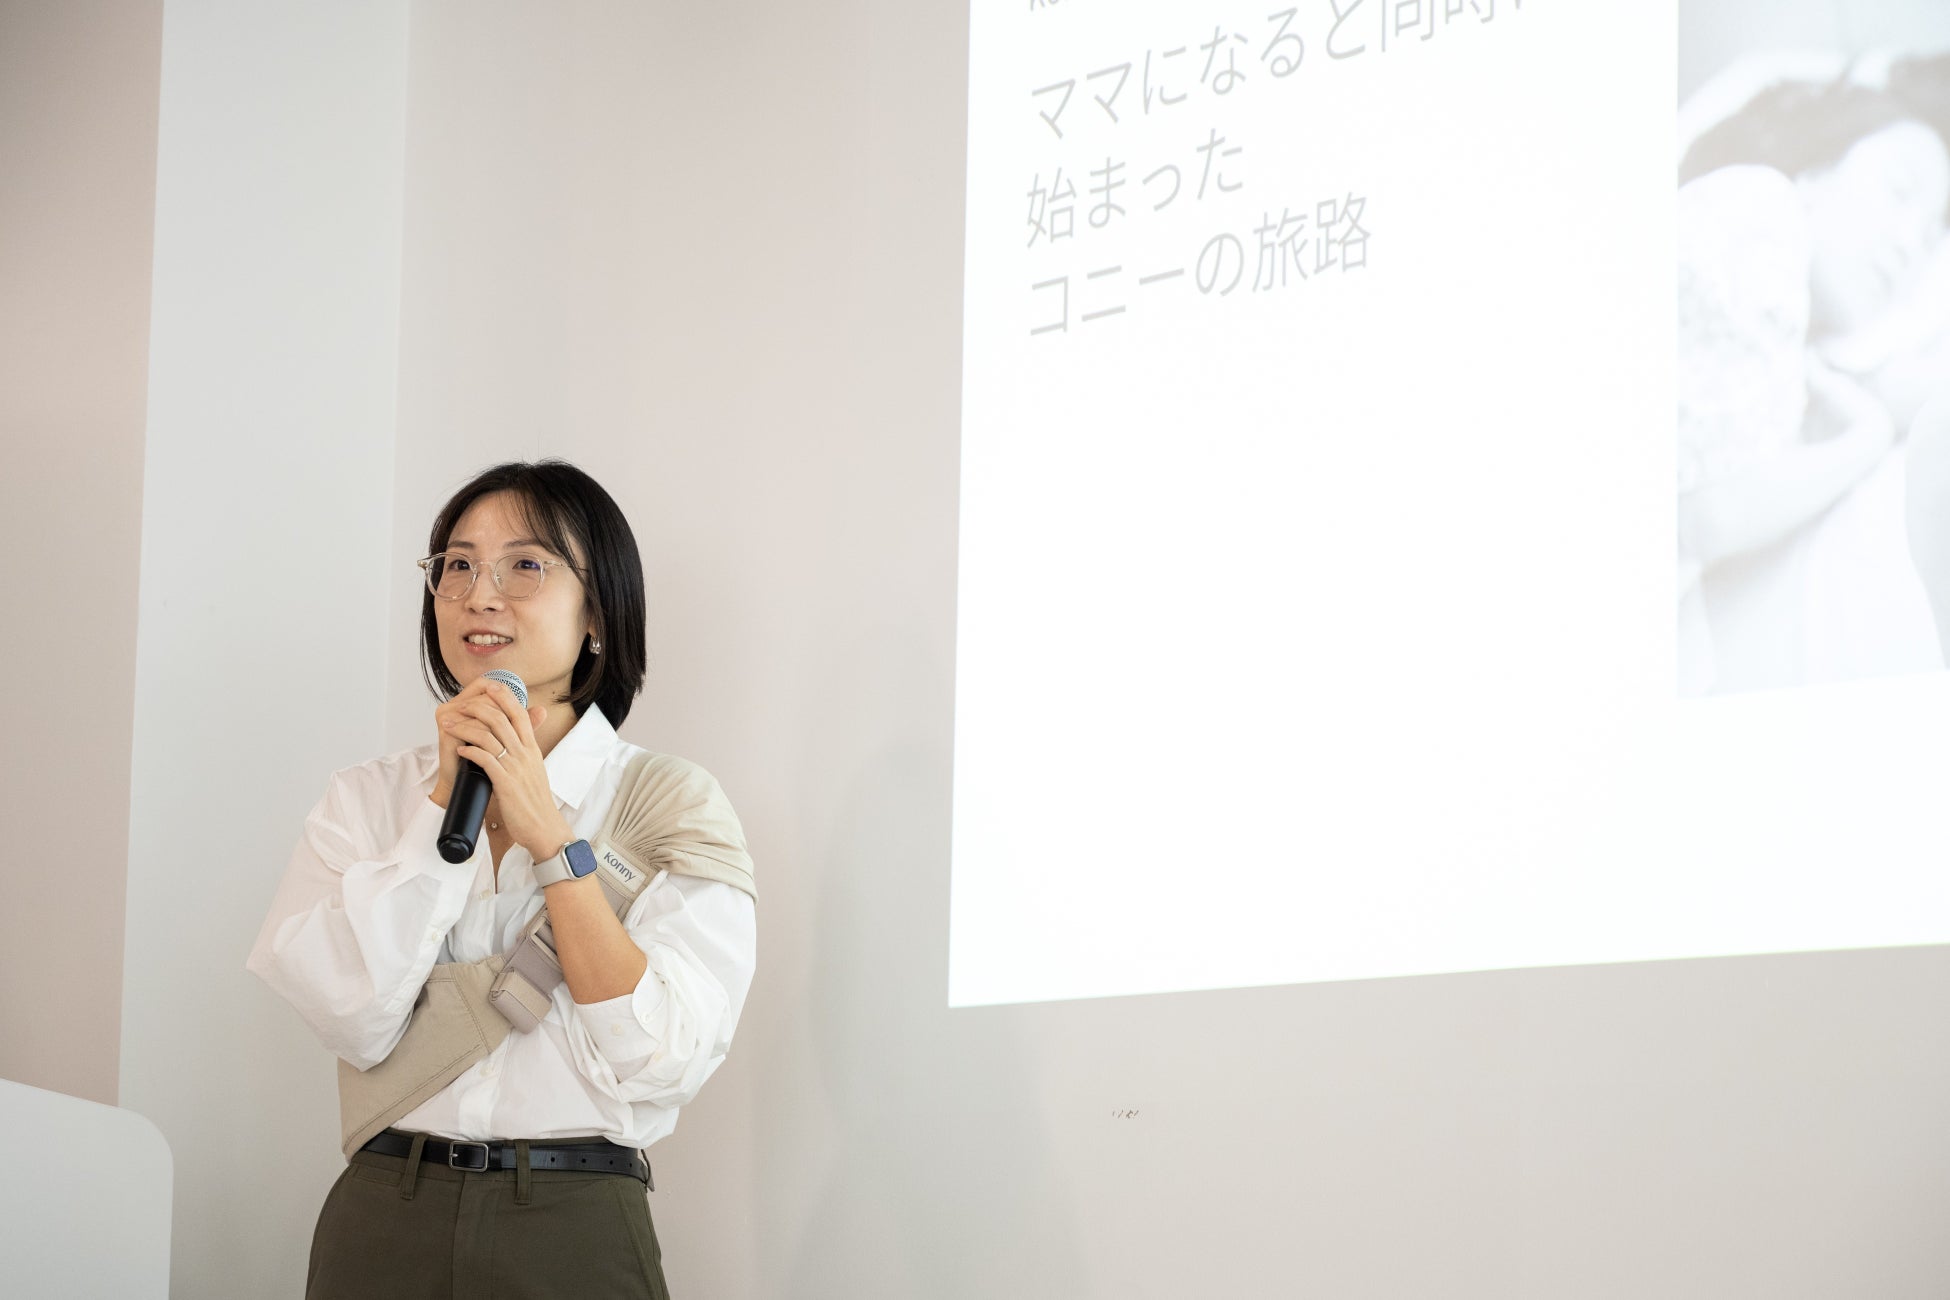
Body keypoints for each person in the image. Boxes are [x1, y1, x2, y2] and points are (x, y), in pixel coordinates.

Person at [247, 460, 757, 1298]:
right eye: (457, 565)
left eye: (525, 564)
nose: (480, 595)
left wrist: (552, 840)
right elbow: (350, 1018)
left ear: (599, 613)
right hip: (385, 1207)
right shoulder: (368, 799)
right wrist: (438, 812)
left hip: (574, 1219)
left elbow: (663, 1059)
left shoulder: (670, 803)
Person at [1676, 68, 1950, 693]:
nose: (1908, 244)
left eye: (1928, 234)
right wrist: (1867, 439)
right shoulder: (1759, 207)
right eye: (1899, 190)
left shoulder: (1790, 342)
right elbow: (1709, 516)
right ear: (1816, 175)